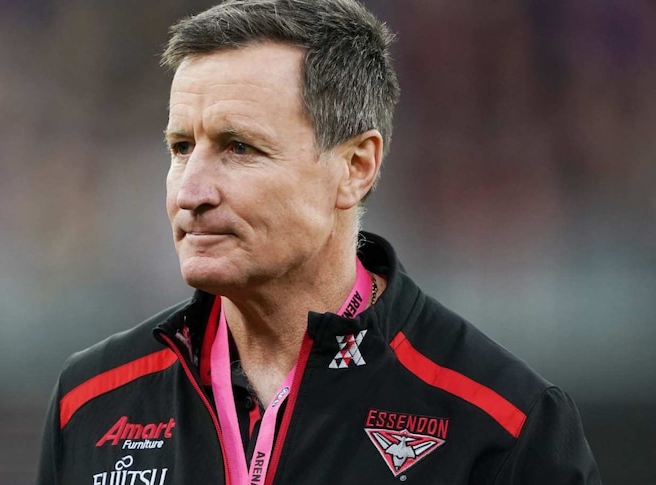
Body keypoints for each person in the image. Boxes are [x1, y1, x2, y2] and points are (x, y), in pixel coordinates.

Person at [36, 1, 602, 483]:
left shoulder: (503, 423)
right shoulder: (89, 401)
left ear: (355, 167)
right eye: (181, 146)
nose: (191, 191)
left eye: (238, 147)